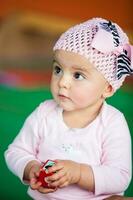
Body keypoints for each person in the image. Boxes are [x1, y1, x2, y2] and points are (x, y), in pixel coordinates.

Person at [4, 17, 133, 200]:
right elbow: (15, 151)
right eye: (58, 70)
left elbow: (120, 177)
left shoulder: (112, 122)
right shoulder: (44, 113)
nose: (62, 82)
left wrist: (79, 173)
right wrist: (30, 167)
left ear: (108, 88)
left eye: (78, 75)